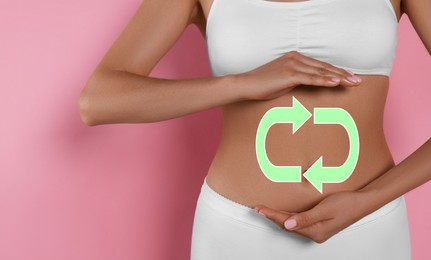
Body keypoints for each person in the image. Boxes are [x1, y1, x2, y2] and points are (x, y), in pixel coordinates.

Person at [78, 0, 431, 259]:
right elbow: (99, 100)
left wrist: (368, 201)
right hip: (236, 229)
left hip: (369, 227)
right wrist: (241, 84)